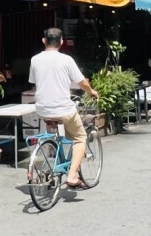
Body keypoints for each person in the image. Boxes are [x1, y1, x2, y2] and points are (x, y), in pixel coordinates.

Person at [28, 27, 100, 189]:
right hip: (63, 109)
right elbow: (82, 82)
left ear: (44, 41)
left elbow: (34, 81)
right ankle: (72, 175)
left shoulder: (34, 60)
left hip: (43, 109)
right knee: (80, 137)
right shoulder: (66, 60)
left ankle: (55, 160)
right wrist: (92, 91)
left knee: (57, 135)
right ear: (61, 42)